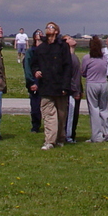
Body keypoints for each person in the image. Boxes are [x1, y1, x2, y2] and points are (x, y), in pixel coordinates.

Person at [33, 21, 73, 150]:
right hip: (46, 86)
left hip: (60, 86)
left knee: (61, 116)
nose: (48, 29)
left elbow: (68, 67)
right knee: (49, 115)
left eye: (51, 27)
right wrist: (36, 71)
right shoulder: (41, 48)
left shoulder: (63, 47)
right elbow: (33, 63)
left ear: (56, 31)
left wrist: (65, 86)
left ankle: (60, 138)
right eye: (47, 27)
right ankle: (49, 141)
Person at [80, 35, 108, 143]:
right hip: (104, 83)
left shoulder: (87, 58)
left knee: (94, 109)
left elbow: (83, 72)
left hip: (92, 84)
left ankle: (97, 136)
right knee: (104, 109)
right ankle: (107, 133)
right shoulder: (104, 58)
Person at [23, 29, 44, 132]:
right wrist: (31, 82)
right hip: (34, 81)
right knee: (35, 106)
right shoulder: (31, 51)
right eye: (37, 33)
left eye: (41, 33)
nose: (39, 35)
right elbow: (27, 67)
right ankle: (35, 125)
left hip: (45, 81)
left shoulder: (45, 50)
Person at [65, 36, 82, 143]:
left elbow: (77, 76)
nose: (72, 39)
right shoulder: (68, 58)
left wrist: (81, 89)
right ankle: (68, 136)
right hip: (71, 91)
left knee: (74, 114)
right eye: (69, 38)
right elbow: (70, 77)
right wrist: (75, 91)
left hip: (76, 89)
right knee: (70, 114)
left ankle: (71, 134)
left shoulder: (73, 56)